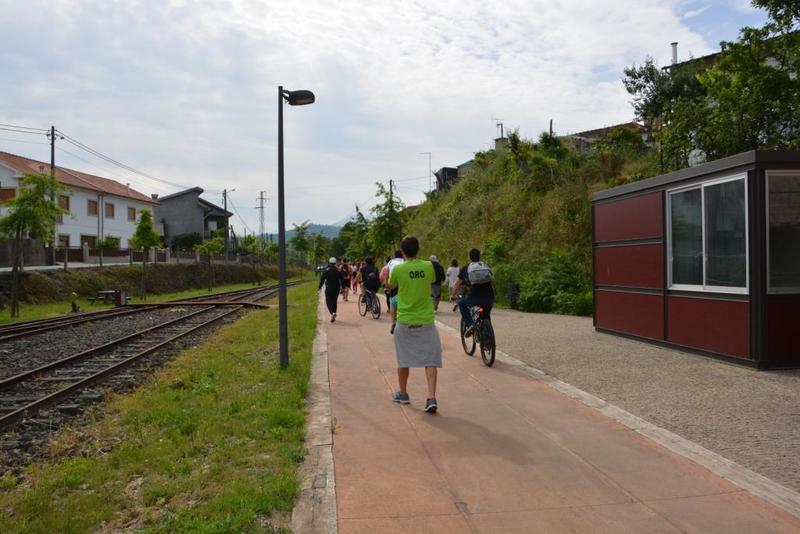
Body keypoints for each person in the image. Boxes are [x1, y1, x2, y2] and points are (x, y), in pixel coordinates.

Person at [387, 236, 442, 414]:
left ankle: (403, 394)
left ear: (402, 252)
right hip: (426, 320)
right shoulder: (428, 266)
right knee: (431, 359)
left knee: (403, 359)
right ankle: (431, 397)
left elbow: (390, 285)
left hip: (405, 321)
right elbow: (432, 280)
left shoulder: (398, 269)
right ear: (418, 250)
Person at [450, 248, 494, 337]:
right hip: (489, 296)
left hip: (474, 296)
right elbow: (492, 280)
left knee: (462, 304)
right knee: (486, 316)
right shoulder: (485, 266)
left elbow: (457, 284)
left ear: (470, 257)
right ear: (479, 256)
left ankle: (470, 325)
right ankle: (488, 341)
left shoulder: (466, 268)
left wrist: (453, 295)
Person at [382, 250, 404, 334]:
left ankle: (393, 323)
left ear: (395, 256)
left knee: (393, 302)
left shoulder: (391, 261)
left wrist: (386, 285)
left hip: (393, 283)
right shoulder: (405, 261)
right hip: (403, 283)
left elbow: (386, 272)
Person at [319, 257, 343, 322]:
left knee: (328, 301)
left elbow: (322, 280)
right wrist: (342, 288)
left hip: (329, 288)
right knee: (334, 301)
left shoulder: (326, 271)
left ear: (329, 263)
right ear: (335, 263)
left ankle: (332, 313)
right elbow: (342, 279)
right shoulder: (338, 271)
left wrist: (319, 287)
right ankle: (334, 313)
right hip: (336, 288)